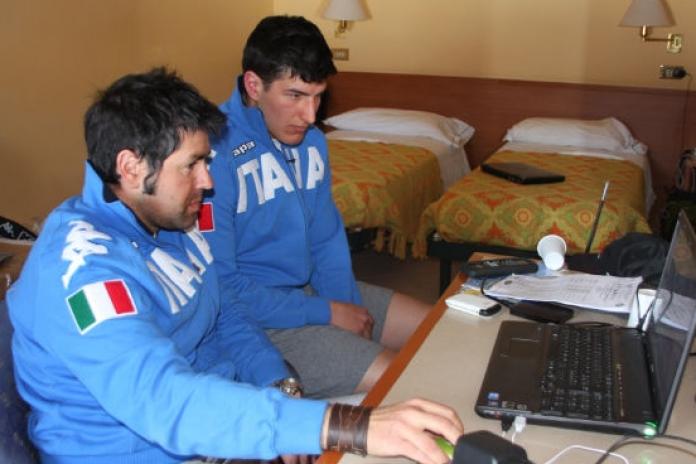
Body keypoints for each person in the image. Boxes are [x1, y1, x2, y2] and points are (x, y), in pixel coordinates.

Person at [7, 68, 463, 463]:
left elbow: (225, 312)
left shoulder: (167, 219)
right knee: (377, 431)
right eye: (192, 165)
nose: (207, 181)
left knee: (416, 414)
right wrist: (340, 426)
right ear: (130, 167)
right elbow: (164, 401)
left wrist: (278, 383)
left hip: (222, 424)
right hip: (154, 449)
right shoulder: (83, 273)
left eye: (206, 162)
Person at [203, 15, 431, 400]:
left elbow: (326, 240)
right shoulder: (212, 155)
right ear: (254, 85)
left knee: (441, 328)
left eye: (317, 96)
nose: (310, 116)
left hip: (310, 292)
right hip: (258, 319)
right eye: (294, 96)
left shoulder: (312, 143)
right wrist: (327, 314)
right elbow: (222, 287)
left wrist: (345, 307)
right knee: (407, 382)